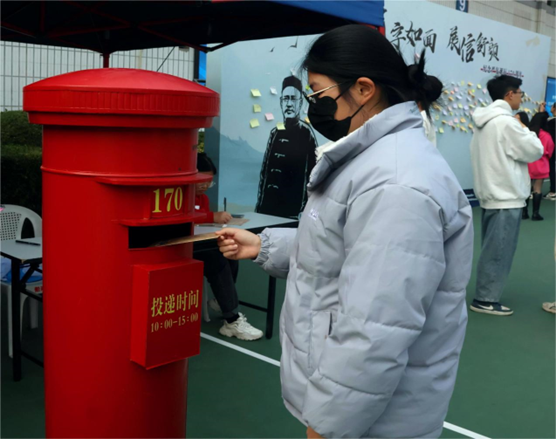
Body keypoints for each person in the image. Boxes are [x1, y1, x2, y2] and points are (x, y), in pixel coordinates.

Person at [216, 25, 474, 439]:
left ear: (364, 89)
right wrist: (266, 244)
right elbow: (347, 248)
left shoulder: (395, 183)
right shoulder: (371, 158)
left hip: (372, 421)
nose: (313, 107)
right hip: (363, 409)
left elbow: (376, 326)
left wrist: (329, 424)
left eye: (318, 94)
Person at [469, 75, 543, 316]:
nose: (522, 98)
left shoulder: (483, 121)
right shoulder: (506, 123)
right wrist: (528, 131)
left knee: (492, 248)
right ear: (510, 94)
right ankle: (485, 299)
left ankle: (486, 295)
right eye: (520, 94)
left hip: (491, 193)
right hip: (506, 194)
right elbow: (535, 150)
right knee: (499, 250)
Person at [195, 153, 263, 341]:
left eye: (209, 182)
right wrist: (211, 217)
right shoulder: (179, 194)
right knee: (217, 260)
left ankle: (221, 301)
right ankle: (232, 321)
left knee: (230, 250)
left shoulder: (202, 199)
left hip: (200, 243)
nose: (205, 186)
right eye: (201, 181)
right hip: (181, 248)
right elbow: (184, 217)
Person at [255, 75, 318, 219]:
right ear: (281, 102)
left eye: (293, 99)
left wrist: (305, 210)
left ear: (300, 103)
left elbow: (313, 175)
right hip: (267, 209)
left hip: (292, 212)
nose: (289, 104)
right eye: (285, 99)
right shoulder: (274, 133)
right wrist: (259, 208)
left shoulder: (306, 133)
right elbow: (264, 176)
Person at [525, 112, 554, 221]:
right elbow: (550, 150)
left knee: (526, 188)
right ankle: (535, 213)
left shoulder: (527, 133)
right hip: (541, 164)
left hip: (527, 163)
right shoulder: (546, 135)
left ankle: (524, 212)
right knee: (537, 189)